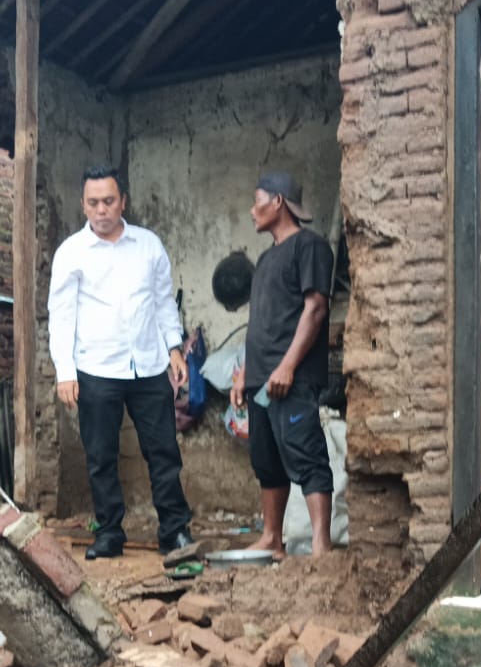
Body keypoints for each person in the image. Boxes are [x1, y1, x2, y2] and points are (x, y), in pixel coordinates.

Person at [48, 165, 197, 562]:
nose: (102, 210)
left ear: (123, 202)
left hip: (148, 366)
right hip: (96, 368)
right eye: (94, 202)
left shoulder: (148, 246)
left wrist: (174, 348)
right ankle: (109, 533)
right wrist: (65, 372)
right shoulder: (71, 253)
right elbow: (61, 316)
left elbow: (163, 302)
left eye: (109, 201)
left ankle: (175, 530)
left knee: (163, 451)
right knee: (100, 455)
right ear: (83, 204)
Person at [230, 171, 335, 557]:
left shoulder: (310, 246)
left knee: (305, 452)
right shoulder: (265, 259)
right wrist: (244, 374)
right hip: (260, 378)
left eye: (257, 200)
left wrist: (288, 366)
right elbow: (260, 323)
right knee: (266, 460)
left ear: (277, 202)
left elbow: (316, 308)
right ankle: (272, 537)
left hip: (292, 377)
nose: (251, 210)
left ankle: (321, 545)